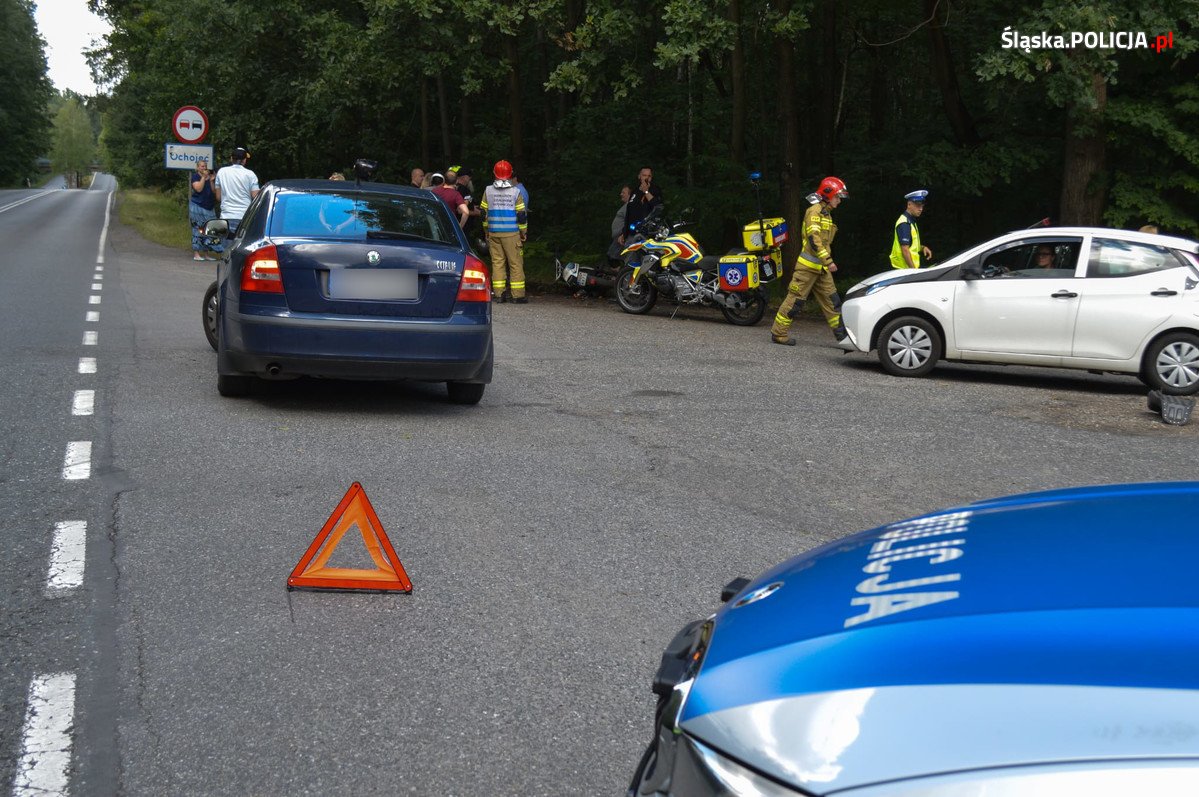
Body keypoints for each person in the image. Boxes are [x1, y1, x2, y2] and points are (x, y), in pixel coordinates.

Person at [770, 176, 849, 345]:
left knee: (833, 302)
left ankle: (843, 338)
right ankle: (778, 333)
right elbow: (814, 240)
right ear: (828, 195)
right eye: (837, 197)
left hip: (821, 269)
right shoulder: (814, 212)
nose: (839, 201)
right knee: (795, 302)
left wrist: (825, 263)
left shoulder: (826, 215)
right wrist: (829, 261)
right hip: (807, 268)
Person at [481, 159, 529, 303]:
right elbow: (521, 216)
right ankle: (517, 295)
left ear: (494, 173)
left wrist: (486, 230)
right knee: (515, 264)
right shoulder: (516, 192)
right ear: (510, 174)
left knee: (497, 263)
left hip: (494, 232)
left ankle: (499, 295)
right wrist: (523, 232)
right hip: (512, 234)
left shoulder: (488, 190)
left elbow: (483, 213)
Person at [213, 147, 260, 237]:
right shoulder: (250, 174)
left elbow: (218, 197)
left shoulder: (222, 172)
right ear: (244, 160)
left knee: (227, 249)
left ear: (231, 158)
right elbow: (255, 196)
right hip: (244, 218)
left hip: (225, 218)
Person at [620, 166, 664, 245]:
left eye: (649, 176)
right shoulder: (634, 191)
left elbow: (657, 206)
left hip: (646, 234)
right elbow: (629, 213)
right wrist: (624, 233)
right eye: (644, 175)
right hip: (632, 233)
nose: (647, 178)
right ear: (639, 176)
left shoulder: (655, 190)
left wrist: (646, 192)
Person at [189, 158, 222, 260]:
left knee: (210, 229)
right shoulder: (195, 177)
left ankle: (207, 254)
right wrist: (203, 177)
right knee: (198, 229)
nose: (204, 168)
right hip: (197, 206)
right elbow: (198, 188)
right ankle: (196, 254)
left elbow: (213, 191)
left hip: (209, 206)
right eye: (202, 166)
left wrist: (212, 180)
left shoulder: (208, 177)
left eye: (205, 166)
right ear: (198, 168)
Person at [890, 189, 932, 269]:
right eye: (918, 205)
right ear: (909, 204)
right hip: (904, 271)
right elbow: (905, 250)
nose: (921, 209)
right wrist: (913, 271)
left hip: (907, 270)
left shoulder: (911, 221)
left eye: (922, 206)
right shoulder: (905, 223)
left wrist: (923, 247)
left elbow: (911, 245)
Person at [608, 185, 632, 261]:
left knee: (612, 258)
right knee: (614, 258)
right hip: (618, 237)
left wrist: (623, 234)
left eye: (623, 193)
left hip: (621, 237)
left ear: (630, 194)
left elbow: (630, 220)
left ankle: (623, 272)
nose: (621, 194)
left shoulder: (630, 206)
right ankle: (622, 272)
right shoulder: (626, 206)